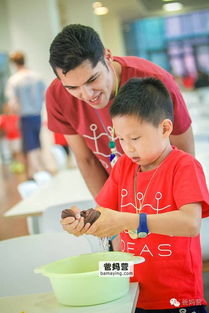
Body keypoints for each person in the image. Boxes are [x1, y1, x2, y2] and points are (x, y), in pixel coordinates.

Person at [61, 77, 209, 312]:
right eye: (120, 139)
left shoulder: (184, 167)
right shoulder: (123, 166)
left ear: (165, 128)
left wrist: (132, 220)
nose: (127, 148)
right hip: (130, 291)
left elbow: (190, 223)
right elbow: (104, 213)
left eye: (135, 138)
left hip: (177, 296)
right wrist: (82, 221)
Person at [46, 24, 194, 199]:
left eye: (93, 79)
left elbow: (184, 155)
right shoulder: (57, 96)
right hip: (119, 197)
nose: (87, 94)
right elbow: (87, 160)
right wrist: (107, 212)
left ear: (107, 56)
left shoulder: (155, 81)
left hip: (164, 194)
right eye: (72, 87)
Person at [5, 51, 46, 179]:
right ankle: (41, 171)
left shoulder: (14, 80)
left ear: (14, 64)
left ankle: (36, 173)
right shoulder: (37, 76)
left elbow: (12, 103)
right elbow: (45, 95)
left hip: (25, 117)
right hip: (37, 115)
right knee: (39, 144)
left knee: (30, 145)